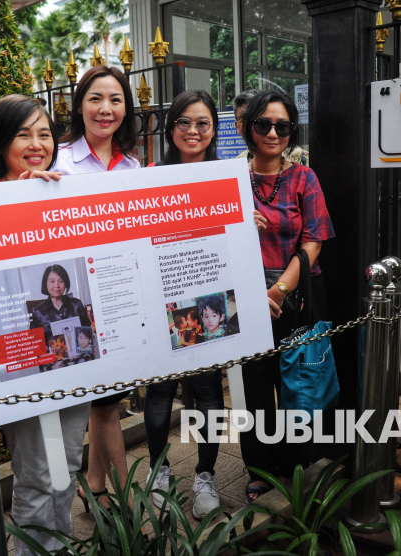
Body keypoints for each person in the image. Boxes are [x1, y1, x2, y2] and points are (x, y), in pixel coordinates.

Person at [0, 94, 90, 556]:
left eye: (44, 133)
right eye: (23, 133)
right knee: (37, 472)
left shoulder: (67, 190)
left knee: (70, 462)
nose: (37, 143)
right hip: (25, 368)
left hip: (79, 369)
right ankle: (31, 549)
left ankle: (57, 545)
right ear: (0, 141)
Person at [50, 65, 141, 513]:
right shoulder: (57, 160)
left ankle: (93, 481)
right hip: (76, 303)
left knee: (106, 398)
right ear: (79, 104)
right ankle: (127, 503)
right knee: (105, 403)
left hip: (118, 297)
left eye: (116, 99)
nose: (106, 109)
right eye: (95, 99)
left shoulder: (134, 166)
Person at [239, 89, 334, 502]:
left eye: (281, 125)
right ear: (249, 127)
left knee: (298, 380)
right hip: (245, 296)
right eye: (263, 124)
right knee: (256, 386)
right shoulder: (231, 179)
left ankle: (296, 460)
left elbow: (314, 240)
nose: (273, 133)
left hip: (295, 295)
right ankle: (262, 467)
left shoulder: (302, 177)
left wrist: (277, 290)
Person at [141, 89, 228, 520]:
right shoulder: (149, 175)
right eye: (184, 123)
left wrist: (243, 218)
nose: (193, 131)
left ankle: (206, 475)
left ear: (213, 129)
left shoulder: (228, 177)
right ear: (171, 127)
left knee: (209, 392)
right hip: (161, 299)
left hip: (209, 299)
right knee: (159, 393)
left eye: (202, 123)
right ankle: (159, 472)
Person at [233, 89, 309, 167]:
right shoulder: (236, 166)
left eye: (263, 123)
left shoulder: (300, 158)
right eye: (243, 119)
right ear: (237, 126)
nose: (272, 134)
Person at [30, 263, 92, 349]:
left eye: (61, 281)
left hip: (80, 355)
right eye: (52, 281)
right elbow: (36, 344)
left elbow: (88, 331)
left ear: (65, 283)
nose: (57, 286)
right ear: (46, 284)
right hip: (54, 359)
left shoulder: (76, 304)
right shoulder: (37, 312)